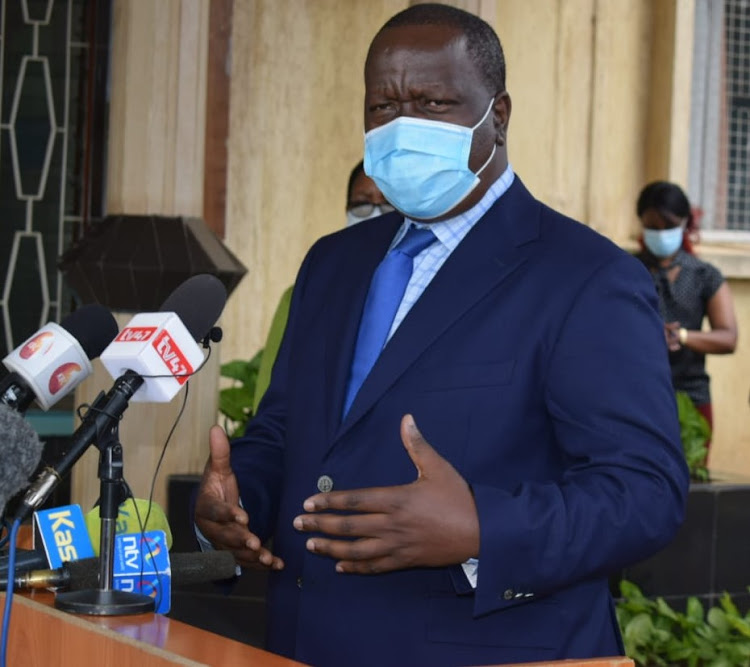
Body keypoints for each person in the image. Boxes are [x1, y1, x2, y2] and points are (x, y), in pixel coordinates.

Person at [195, 4, 689, 664]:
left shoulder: (587, 277)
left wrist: (484, 528)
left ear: (499, 114)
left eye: (433, 102)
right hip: (304, 641)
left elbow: (645, 491)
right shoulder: (333, 263)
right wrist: (240, 498)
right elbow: (288, 427)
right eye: (383, 106)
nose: (404, 127)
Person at [252, 161, 391, 413]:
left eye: (387, 202)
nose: (374, 212)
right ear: (346, 208)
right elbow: (271, 391)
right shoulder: (308, 291)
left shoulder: (413, 291)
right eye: (362, 203)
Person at [635, 180, 738, 443]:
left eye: (668, 227)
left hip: (691, 399)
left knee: (693, 480)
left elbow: (728, 338)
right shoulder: (626, 270)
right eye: (652, 228)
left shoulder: (705, 275)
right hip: (636, 397)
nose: (660, 234)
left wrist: (681, 337)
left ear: (684, 224)